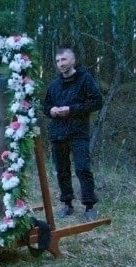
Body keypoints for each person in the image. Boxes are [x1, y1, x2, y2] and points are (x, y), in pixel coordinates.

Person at [43, 47, 103, 221]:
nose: (61, 64)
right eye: (58, 61)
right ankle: (67, 204)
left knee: (83, 169)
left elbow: (97, 101)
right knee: (62, 171)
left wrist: (71, 109)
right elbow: (46, 106)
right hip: (58, 133)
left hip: (78, 132)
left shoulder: (85, 80)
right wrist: (52, 110)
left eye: (64, 60)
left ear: (73, 61)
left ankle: (89, 206)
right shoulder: (54, 85)